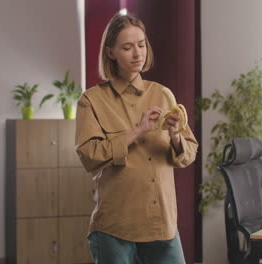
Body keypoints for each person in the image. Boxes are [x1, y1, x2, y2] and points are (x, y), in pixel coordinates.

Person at [75, 12, 198, 264]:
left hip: (161, 223)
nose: (137, 54)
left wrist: (175, 135)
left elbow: (189, 154)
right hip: (115, 227)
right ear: (111, 52)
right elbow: (89, 156)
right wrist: (136, 131)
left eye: (141, 45)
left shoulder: (164, 95)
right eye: (127, 47)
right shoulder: (92, 101)